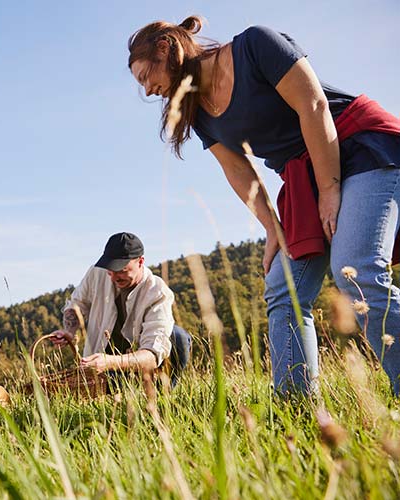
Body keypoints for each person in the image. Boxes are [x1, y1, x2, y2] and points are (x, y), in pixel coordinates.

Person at [128, 16, 400, 394]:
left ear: (164, 48)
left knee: (355, 270)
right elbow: (237, 169)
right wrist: (273, 226)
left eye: (145, 78)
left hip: (357, 146)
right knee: (283, 288)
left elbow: (314, 105)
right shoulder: (199, 111)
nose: (148, 90)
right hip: (305, 179)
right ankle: (297, 407)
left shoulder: (255, 46)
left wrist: (330, 188)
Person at [50, 232, 191, 387]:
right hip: (100, 366)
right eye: (111, 269)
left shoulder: (158, 293)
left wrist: (111, 361)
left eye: (121, 270)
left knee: (178, 338)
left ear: (140, 262)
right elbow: (77, 304)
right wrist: (69, 331)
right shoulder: (97, 272)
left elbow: (152, 354)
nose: (114, 276)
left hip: (135, 365)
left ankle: (161, 395)